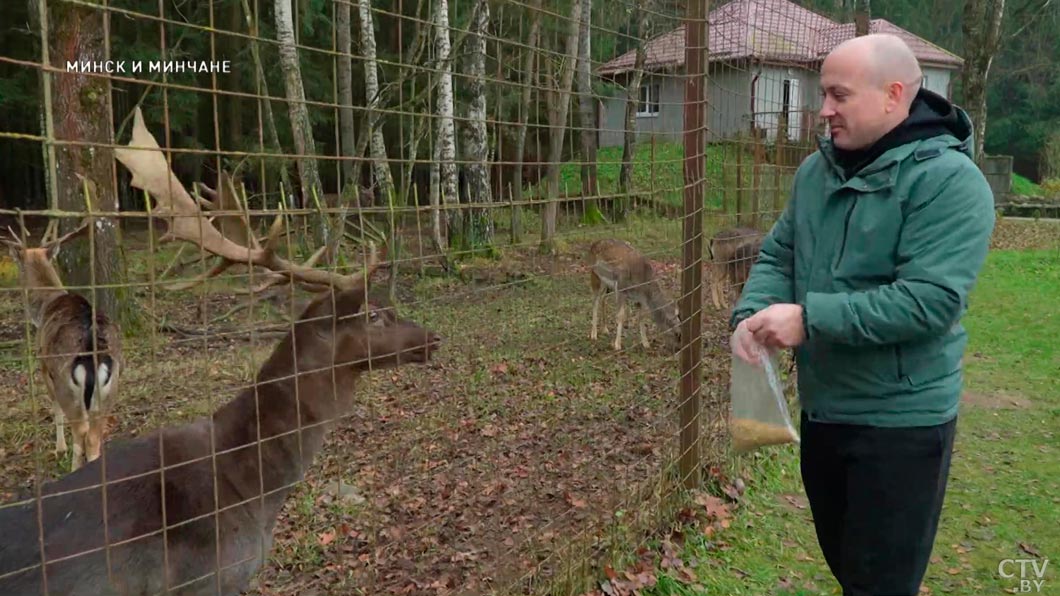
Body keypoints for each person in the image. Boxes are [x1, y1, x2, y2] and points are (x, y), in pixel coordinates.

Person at [728, 33, 996, 596]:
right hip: (826, 411)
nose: (823, 109)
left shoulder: (950, 182)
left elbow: (930, 300)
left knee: (881, 582)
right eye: (823, 93)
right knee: (850, 566)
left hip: (900, 423)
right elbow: (782, 253)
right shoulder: (815, 174)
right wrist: (751, 315)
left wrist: (808, 319)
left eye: (838, 95)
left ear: (893, 95)